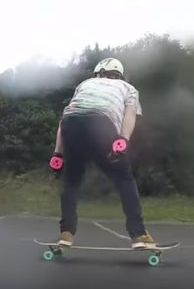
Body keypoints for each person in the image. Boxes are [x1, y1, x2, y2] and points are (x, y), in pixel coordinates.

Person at [49, 58, 155, 249]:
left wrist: (57, 154)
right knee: (124, 179)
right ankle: (138, 235)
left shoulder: (85, 84)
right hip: (101, 125)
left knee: (71, 181)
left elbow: (67, 116)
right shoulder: (128, 88)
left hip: (71, 125)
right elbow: (129, 115)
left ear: (98, 72)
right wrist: (123, 139)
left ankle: (66, 233)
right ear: (120, 74)